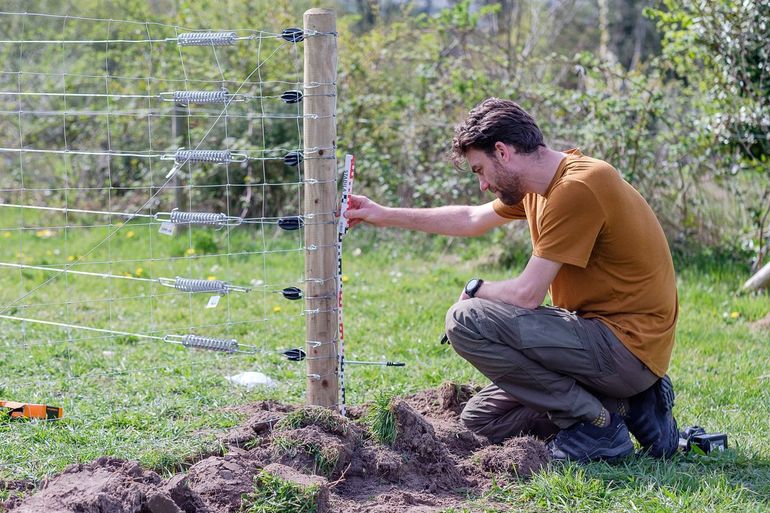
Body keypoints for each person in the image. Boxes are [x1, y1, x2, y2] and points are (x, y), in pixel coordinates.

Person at [344, 98, 679, 462]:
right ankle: (631, 406)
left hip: (625, 347)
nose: (483, 185)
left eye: (480, 170)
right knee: (482, 420)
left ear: (502, 151)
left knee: (464, 320)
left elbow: (526, 294)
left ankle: (596, 425)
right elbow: (471, 218)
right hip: (602, 343)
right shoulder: (542, 187)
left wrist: (476, 290)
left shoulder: (578, 188)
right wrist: (382, 214)